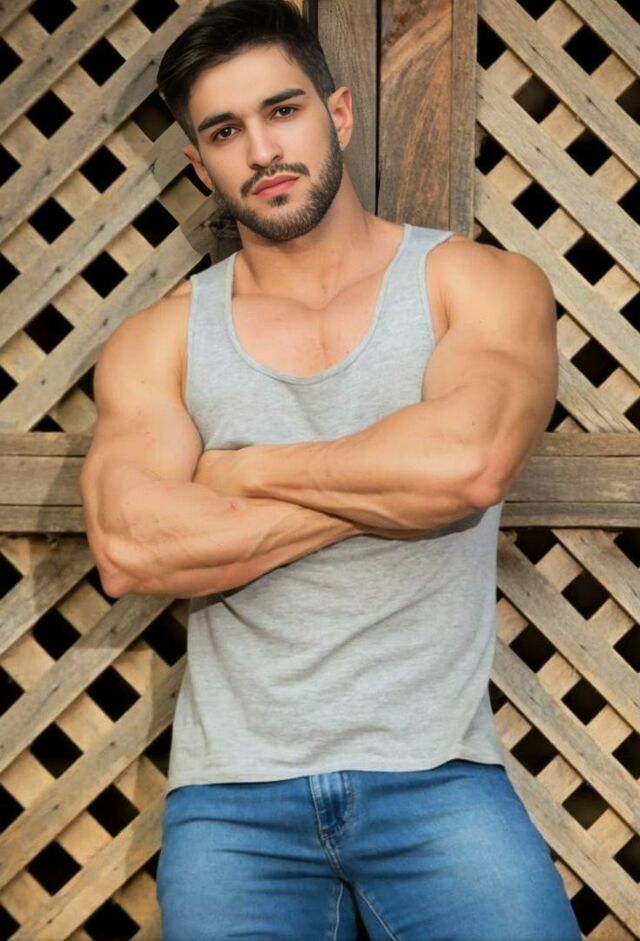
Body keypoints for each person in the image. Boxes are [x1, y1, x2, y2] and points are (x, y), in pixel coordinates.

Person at [79, 1, 582, 938]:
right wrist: (395, 488)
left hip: (438, 777)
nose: (262, 149)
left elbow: (467, 466)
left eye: (283, 110)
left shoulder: (475, 283)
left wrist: (239, 474)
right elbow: (131, 548)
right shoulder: (160, 341)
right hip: (231, 800)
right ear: (198, 162)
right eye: (225, 131)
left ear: (338, 113)